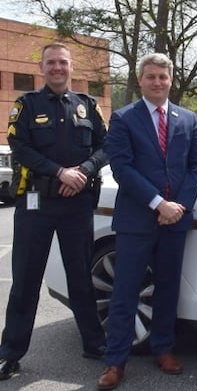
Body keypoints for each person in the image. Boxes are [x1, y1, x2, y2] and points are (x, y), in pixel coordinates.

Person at [97, 53, 197, 390]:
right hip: (136, 221)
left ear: (171, 79)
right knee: (125, 293)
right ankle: (115, 361)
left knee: (167, 289)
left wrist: (178, 207)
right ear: (140, 79)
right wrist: (159, 203)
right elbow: (122, 168)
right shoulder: (123, 118)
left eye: (163, 76)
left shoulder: (188, 119)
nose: (157, 82)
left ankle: (163, 348)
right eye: (151, 76)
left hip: (174, 222)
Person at [0, 42, 108, 380]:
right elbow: (20, 147)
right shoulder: (26, 105)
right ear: (42, 68)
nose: (58, 68)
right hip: (36, 202)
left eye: (63, 62)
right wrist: (60, 172)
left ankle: (94, 344)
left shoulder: (88, 106)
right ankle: (10, 353)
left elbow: (107, 146)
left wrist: (85, 171)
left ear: (71, 66)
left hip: (76, 203)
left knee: (81, 277)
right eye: (51, 63)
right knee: (26, 280)